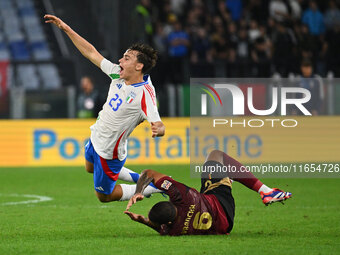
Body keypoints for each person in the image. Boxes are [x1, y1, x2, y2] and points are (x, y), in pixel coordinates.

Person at [44, 14, 165, 202]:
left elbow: (158, 122)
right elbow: (91, 52)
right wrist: (66, 28)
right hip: (96, 136)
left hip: (110, 151)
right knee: (90, 168)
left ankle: (149, 189)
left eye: (126, 58)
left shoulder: (145, 94)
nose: (120, 61)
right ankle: (142, 179)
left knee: (104, 196)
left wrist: (159, 128)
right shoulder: (117, 74)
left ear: (139, 66)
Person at [124, 150, 292, 235]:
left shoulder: (174, 230)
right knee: (216, 155)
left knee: (219, 179)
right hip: (218, 202)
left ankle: (228, 178)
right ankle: (266, 191)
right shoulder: (179, 195)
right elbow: (148, 173)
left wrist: (143, 221)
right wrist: (139, 191)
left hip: (224, 225)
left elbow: (162, 228)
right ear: (170, 202)